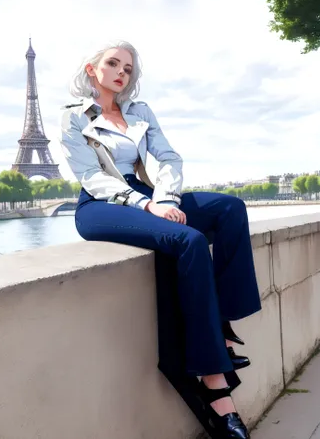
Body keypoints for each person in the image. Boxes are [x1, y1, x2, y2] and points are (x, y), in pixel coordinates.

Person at [60, 40, 261, 439]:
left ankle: (221, 324)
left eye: (128, 68)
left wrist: (165, 198)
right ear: (91, 69)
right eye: (113, 64)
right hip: (102, 203)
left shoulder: (140, 111)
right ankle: (214, 380)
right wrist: (147, 206)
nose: (122, 72)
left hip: (148, 193)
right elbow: (92, 178)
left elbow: (168, 159)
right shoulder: (73, 118)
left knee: (230, 209)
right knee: (187, 240)